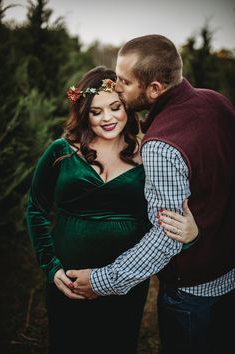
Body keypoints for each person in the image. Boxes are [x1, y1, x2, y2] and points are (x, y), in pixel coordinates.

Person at [67, 36, 235, 354]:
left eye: (124, 81)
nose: (115, 86)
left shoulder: (161, 146)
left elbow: (165, 239)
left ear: (155, 89)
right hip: (230, 275)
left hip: (190, 294)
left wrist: (102, 280)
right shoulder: (217, 101)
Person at [26, 66, 198, 354]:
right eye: (96, 112)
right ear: (83, 113)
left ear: (127, 106)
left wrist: (190, 234)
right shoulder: (61, 151)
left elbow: (169, 218)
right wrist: (50, 267)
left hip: (124, 283)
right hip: (68, 279)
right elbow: (36, 209)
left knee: (117, 343)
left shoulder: (150, 153)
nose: (107, 118)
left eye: (115, 107)